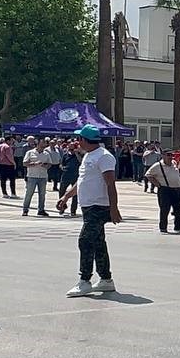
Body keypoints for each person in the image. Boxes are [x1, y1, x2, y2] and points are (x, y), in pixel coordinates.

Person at [56, 125, 121, 297]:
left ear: (84, 140)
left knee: (85, 241)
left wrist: (114, 208)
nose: (77, 141)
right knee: (98, 242)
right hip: (88, 206)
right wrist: (66, 197)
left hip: (98, 207)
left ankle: (84, 280)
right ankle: (106, 279)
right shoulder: (88, 156)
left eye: (79, 138)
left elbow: (110, 183)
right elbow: (82, 181)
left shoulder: (104, 157)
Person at [146, 151, 180, 233]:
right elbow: (148, 175)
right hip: (165, 190)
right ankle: (163, 227)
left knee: (178, 209)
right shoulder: (158, 165)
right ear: (163, 156)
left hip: (177, 189)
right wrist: (157, 184)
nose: (170, 157)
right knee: (165, 209)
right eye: (168, 155)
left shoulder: (174, 163)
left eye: (172, 155)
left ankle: (178, 226)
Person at [21, 137, 52, 216]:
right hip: (32, 176)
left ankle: (41, 209)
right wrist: (34, 164)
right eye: (43, 142)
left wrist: (45, 165)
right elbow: (24, 163)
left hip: (43, 176)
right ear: (38, 144)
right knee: (29, 193)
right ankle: (25, 209)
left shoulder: (46, 153)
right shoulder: (30, 152)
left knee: (42, 194)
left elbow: (50, 164)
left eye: (45, 143)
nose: (44, 144)